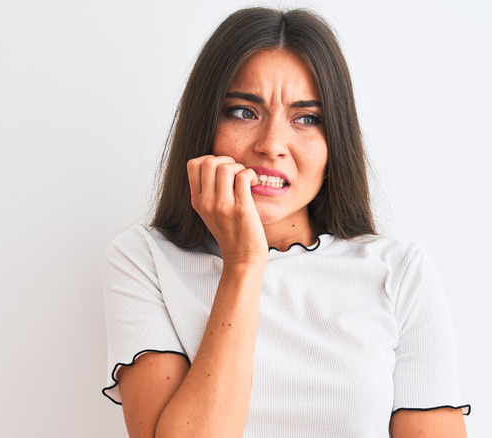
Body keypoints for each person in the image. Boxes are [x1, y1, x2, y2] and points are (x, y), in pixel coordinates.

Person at [102, 7, 469, 437]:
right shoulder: (143, 259)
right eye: (243, 112)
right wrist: (243, 263)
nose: (272, 145)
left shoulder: (400, 271)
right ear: (205, 124)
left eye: (306, 118)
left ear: (335, 141)